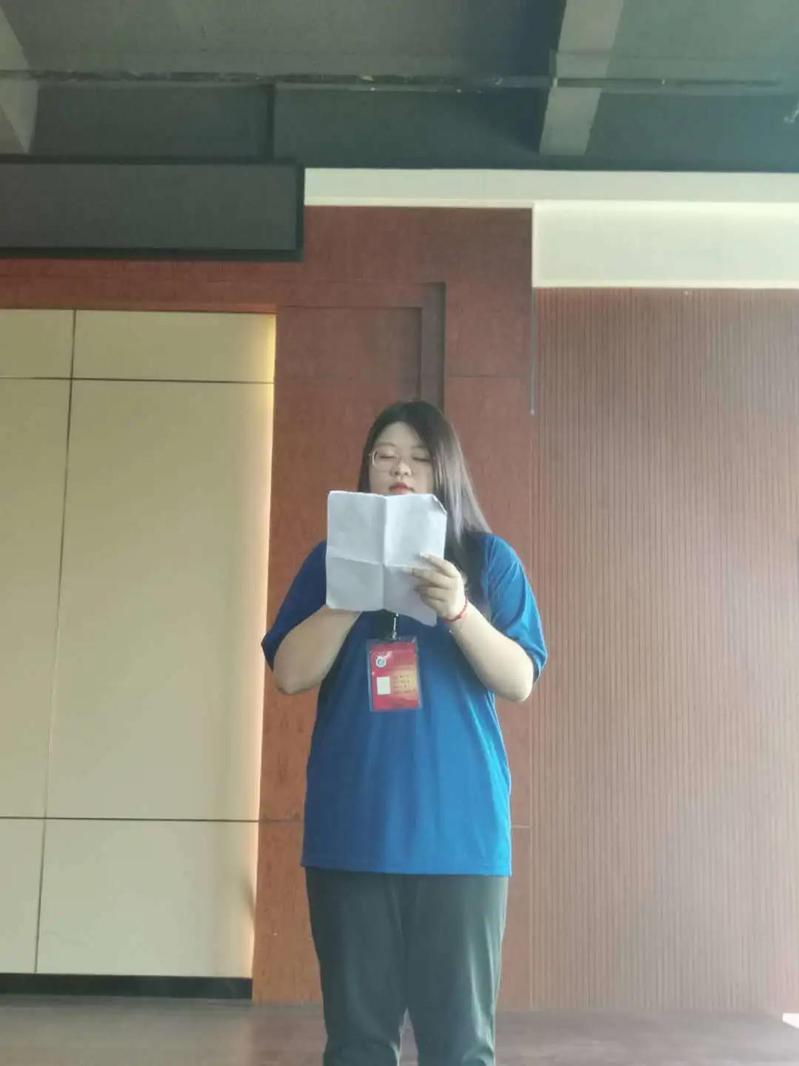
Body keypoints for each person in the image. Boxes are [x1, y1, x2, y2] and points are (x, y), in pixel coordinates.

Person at [261, 399, 547, 1066]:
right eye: (384, 455)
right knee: (358, 1044)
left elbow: (518, 679)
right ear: (365, 468)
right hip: (352, 836)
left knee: (460, 1047)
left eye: (419, 458)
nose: (400, 469)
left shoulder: (487, 560)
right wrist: (349, 595)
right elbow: (289, 673)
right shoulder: (328, 562)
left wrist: (458, 610)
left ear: (445, 471)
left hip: (460, 842)